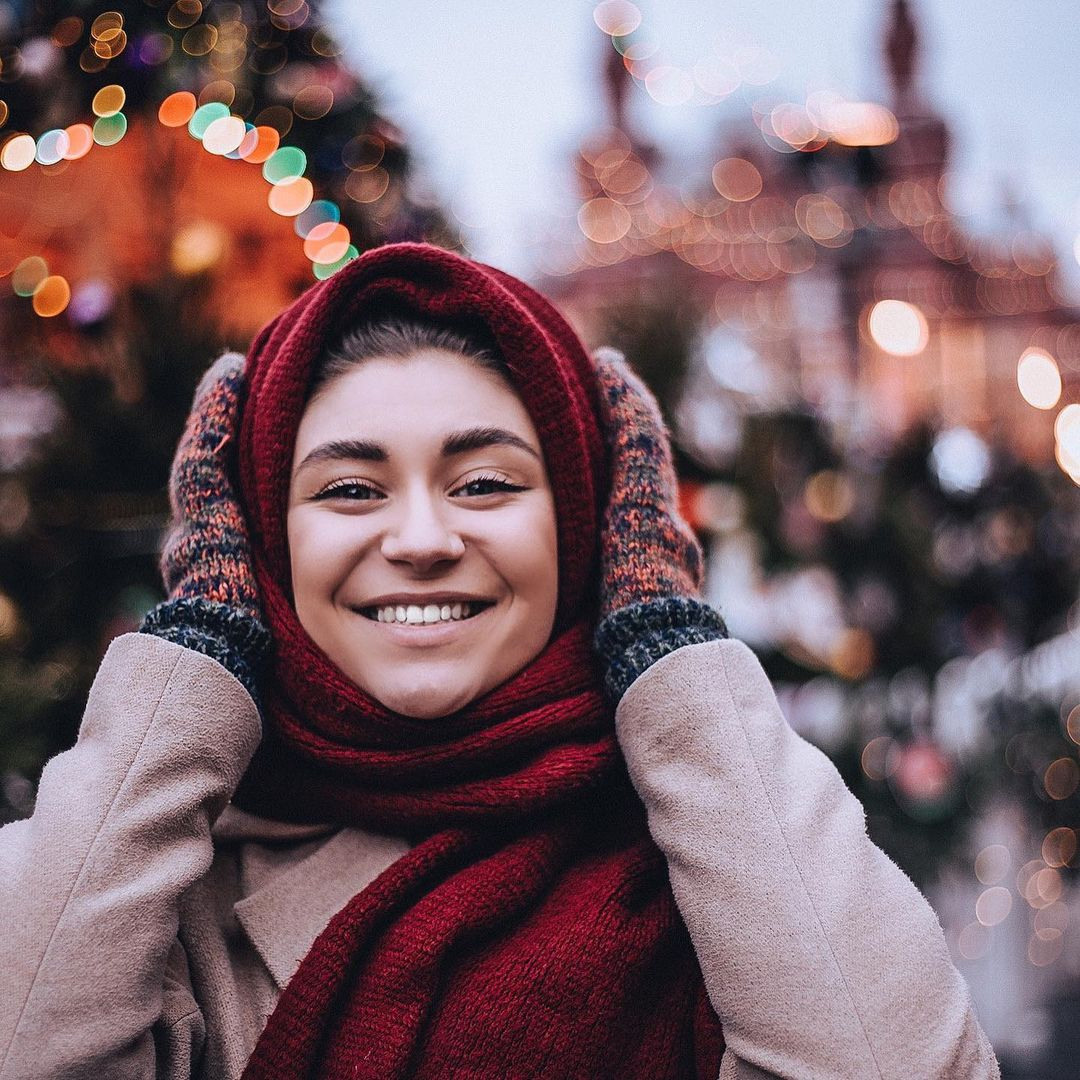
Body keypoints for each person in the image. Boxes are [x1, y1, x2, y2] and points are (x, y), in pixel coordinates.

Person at [0, 244, 999, 1079]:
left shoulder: (724, 856)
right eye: (350, 491)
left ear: (583, 524)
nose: (423, 537)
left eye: (483, 483)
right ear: (262, 535)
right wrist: (205, 641)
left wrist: (663, 636)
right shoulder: (146, 883)